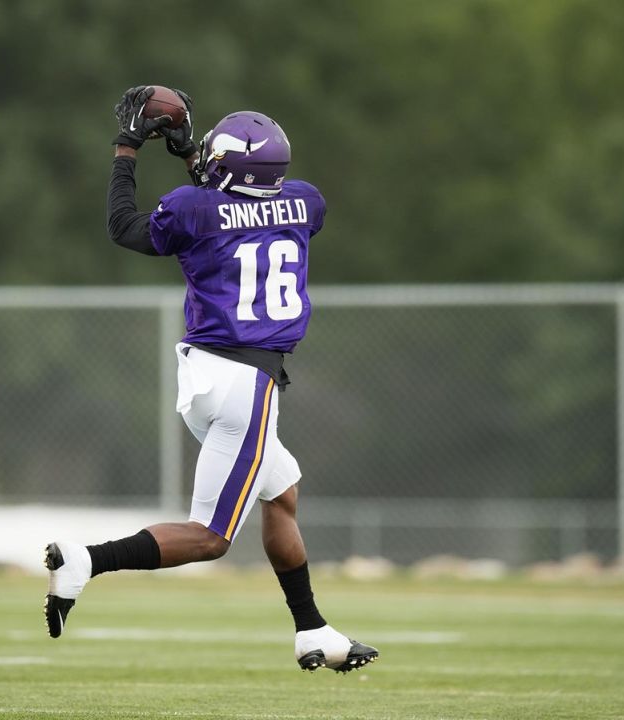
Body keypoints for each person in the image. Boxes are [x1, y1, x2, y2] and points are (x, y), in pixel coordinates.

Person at [43, 86, 378, 673]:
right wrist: (195, 155)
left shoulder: (194, 208)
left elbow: (128, 226)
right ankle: (86, 561)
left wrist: (129, 147)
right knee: (212, 538)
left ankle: (313, 631)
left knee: (282, 492)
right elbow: (241, 198)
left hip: (211, 375)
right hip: (248, 385)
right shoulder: (306, 203)